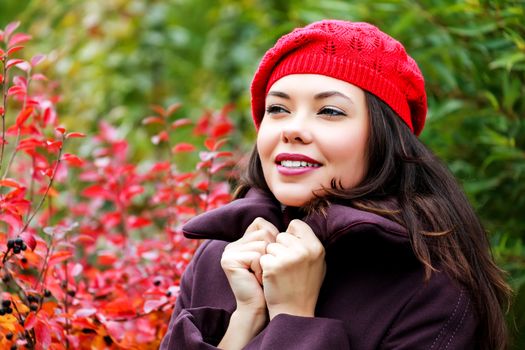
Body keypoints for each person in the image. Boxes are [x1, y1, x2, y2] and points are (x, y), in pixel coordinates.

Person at [160, 20, 510, 350]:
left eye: (329, 111)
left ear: (385, 138)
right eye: (278, 108)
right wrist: (244, 320)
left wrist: (293, 318)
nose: (291, 129)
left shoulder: (430, 288)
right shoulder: (221, 258)